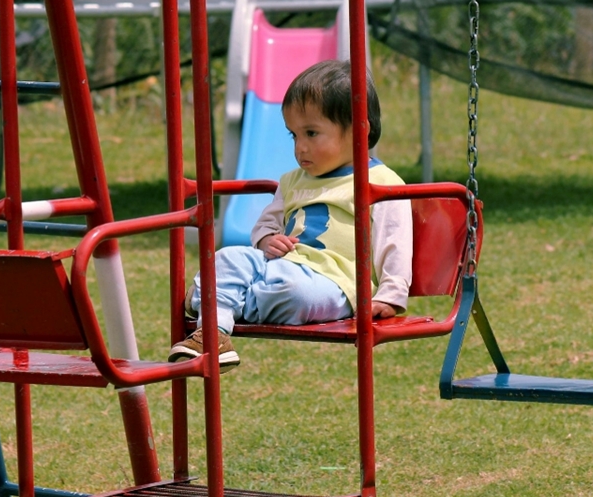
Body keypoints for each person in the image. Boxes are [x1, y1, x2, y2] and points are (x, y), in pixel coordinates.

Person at [168, 59, 412, 372]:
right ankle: (214, 336)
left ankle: (214, 299)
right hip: (280, 268)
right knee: (227, 258)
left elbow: (395, 241)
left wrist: (391, 295)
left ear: (358, 130)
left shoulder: (379, 182)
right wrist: (268, 239)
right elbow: (265, 224)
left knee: (293, 290)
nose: (300, 147)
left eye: (311, 133)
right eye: (293, 135)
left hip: (333, 284)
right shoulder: (292, 181)